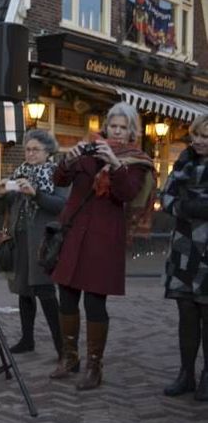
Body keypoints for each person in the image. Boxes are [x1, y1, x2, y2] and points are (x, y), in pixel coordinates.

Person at [49, 103, 155, 390]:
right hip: (74, 234)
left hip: (103, 239)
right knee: (67, 297)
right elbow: (59, 180)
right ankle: (69, 357)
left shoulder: (137, 161)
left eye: (123, 128)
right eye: (114, 126)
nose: (117, 132)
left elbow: (127, 193)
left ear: (132, 131)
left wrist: (116, 165)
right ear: (106, 126)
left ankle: (95, 366)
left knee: (95, 303)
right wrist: (66, 161)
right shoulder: (88, 150)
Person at [0, 129, 68, 357]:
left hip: (45, 241)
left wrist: (36, 194)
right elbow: (3, 212)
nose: (30, 153)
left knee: (45, 292)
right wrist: (0, 195)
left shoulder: (57, 174)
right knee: (24, 291)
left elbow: (62, 206)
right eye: (27, 149)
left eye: (36, 149)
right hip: (21, 239)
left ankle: (63, 348)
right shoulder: (19, 174)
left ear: (48, 152)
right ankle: (27, 340)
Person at [161, 113, 208, 400]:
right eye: (197, 135)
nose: (200, 141)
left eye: (206, 136)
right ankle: (186, 374)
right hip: (183, 250)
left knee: (207, 315)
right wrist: (191, 206)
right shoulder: (181, 163)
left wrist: (188, 205)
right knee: (186, 314)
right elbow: (166, 198)